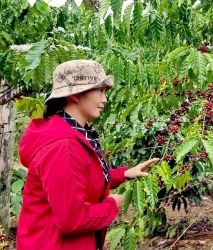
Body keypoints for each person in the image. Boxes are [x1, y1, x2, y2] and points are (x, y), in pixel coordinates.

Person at [16, 60, 158, 250]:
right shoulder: (63, 146)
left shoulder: (74, 133)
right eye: (100, 91)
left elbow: (79, 177)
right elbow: (72, 218)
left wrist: (122, 174)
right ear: (76, 95)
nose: (105, 99)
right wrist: (111, 204)